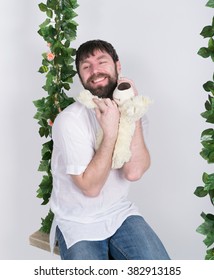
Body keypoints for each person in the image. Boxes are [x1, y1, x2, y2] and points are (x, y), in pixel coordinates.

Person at [50, 39, 170, 260]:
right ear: (81, 78)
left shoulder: (133, 110)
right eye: (86, 67)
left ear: (118, 66)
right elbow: (90, 188)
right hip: (78, 222)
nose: (95, 71)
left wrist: (131, 112)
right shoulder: (69, 121)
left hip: (119, 213)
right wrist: (110, 133)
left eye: (102, 62)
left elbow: (133, 172)